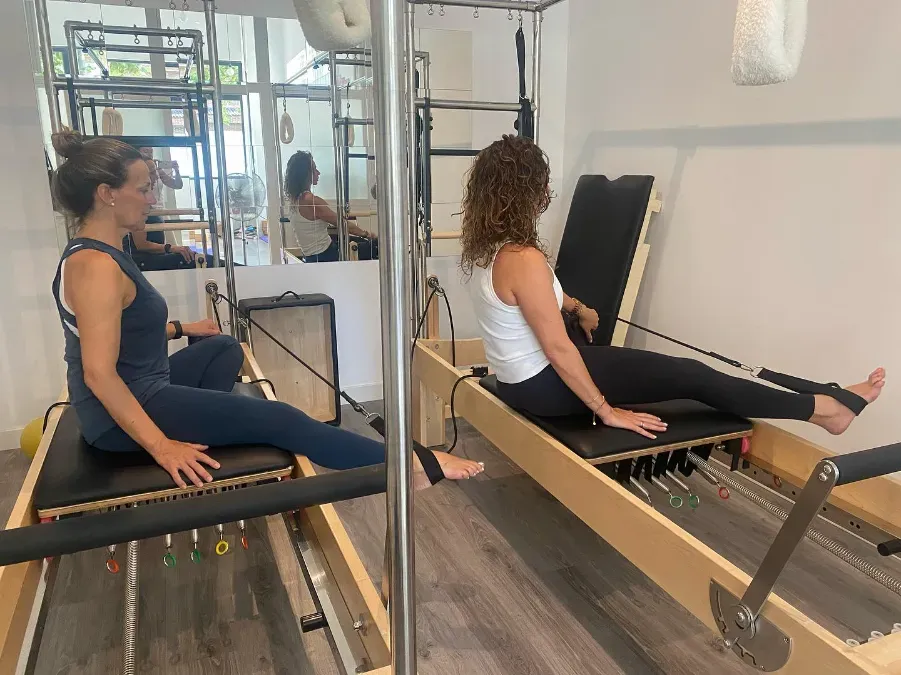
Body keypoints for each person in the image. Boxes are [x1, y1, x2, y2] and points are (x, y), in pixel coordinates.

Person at [50, 128, 483, 490]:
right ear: (107, 194)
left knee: (224, 347)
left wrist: (181, 327)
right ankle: (406, 467)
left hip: (145, 385)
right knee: (283, 419)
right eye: (144, 189)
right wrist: (163, 446)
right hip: (121, 413)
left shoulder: (102, 252)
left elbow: (109, 330)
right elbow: (98, 373)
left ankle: (216, 424)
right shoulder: (95, 266)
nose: (153, 199)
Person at [462, 135, 885, 440]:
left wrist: (576, 306)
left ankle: (824, 402)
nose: (547, 196)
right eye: (542, 188)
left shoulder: (490, 252)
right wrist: (606, 411)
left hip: (521, 382)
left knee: (664, 368)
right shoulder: (523, 258)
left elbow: (530, 303)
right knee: (692, 376)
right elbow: (558, 350)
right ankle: (825, 411)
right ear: (525, 193)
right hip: (545, 385)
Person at [284, 150, 378, 262]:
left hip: (311, 256)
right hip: (326, 255)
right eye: (314, 169)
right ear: (306, 174)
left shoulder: (295, 199)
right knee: (375, 245)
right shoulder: (311, 200)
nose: (318, 173)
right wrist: (367, 234)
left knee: (348, 239)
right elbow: (343, 225)